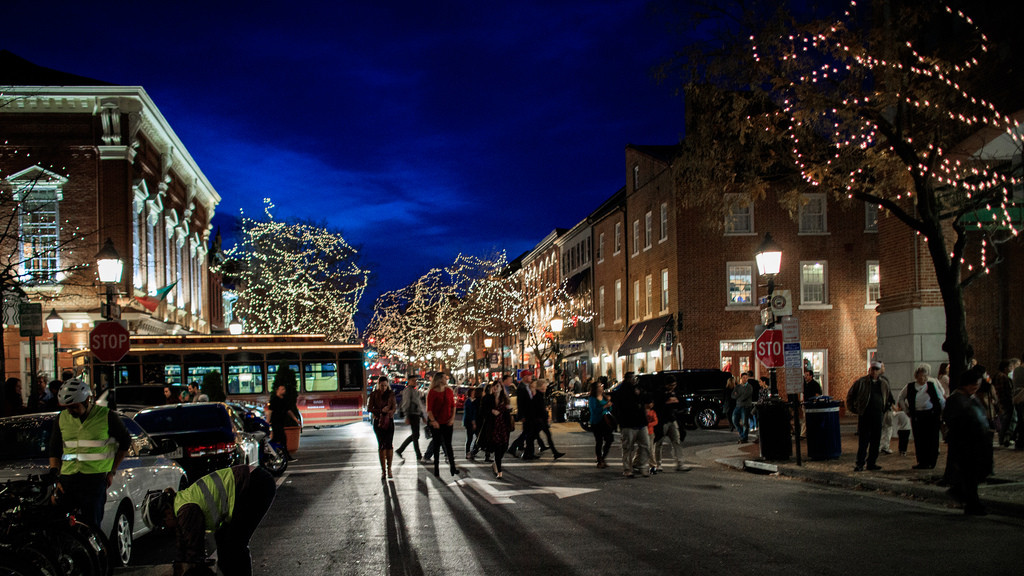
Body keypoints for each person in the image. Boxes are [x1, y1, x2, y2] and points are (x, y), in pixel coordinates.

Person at [143, 465, 277, 576]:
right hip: (252, 481)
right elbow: (182, 547)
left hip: (255, 484)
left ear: (167, 513)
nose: (165, 528)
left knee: (234, 545)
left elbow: (194, 551)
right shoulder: (180, 504)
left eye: (163, 524)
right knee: (223, 539)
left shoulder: (185, 511)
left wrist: (191, 567)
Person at [47, 379, 130, 529]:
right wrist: (55, 476)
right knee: (60, 524)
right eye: (67, 407)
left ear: (87, 400)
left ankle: (96, 551)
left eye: (74, 407)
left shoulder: (106, 416)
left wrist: (111, 471)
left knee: (91, 524)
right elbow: (55, 448)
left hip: (94, 478)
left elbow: (125, 443)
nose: (71, 411)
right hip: (68, 478)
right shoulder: (61, 418)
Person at [943, 366, 993, 515]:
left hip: (978, 442)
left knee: (976, 473)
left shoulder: (971, 398)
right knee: (970, 474)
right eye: (973, 384)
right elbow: (954, 420)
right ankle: (972, 503)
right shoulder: (956, 399)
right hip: (966, 443)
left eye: (977, 384)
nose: (975, 387)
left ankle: (961, 493)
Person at [897, 363, 945, 469]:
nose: (923, 378)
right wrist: (906, 410)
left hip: (931, 415)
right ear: (916, 376)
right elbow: (900, 397)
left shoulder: (932, 385)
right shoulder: (910, 386)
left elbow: (941, 399)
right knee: (920, 439)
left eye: (925, 376)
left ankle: (931, 461)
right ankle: (922, 461)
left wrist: (942, 412)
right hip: (917, 415)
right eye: (921, 376)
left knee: (932, 438)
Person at [846, 361, 892, 472]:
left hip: (878, 415)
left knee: (875, 441)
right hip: (865, 415)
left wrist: (884, 409)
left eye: (877, 369)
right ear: (869, 370)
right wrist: (855, 409)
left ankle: (871, 463)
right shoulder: (861, 382)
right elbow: (850, 396)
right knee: (864, 441)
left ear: (880, 371)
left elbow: (888, 398)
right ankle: (860, 463)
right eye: (873, 369)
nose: (874, 372)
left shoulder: (883, 383)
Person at [611, 372, 650, 478]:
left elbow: (645, 399)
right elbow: (617, 408)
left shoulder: (638, 389)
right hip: (628, 423)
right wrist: (621, 421)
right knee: (628, 447)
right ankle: (628, 469)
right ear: (628, 379)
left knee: (645, 445)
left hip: (641, 422)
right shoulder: (622, 392)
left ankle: (641, 465)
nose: (634, 380)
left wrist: (640, 394)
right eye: (633, 378)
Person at [425, 372, 458, 477]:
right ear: (439, 379)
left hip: (448, 422)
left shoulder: (449, 391)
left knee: (449, 445)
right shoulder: (432, 392)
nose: (446, 379)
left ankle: (453, 468)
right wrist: (433, 421)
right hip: (436, 423)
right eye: (444, 377)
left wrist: (452, 419)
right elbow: (429, 409)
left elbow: (453, 406)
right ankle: (436, 469)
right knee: (436, 445)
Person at [482, 380, 514, 479]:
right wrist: (491, 411)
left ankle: (496, 463)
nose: (495, 388)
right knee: (497, 448)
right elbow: (482, 411)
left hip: (504, 427)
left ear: (501, 388)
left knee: (504, 447)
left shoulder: (504, 399)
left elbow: (509, 413)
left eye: (497, 386)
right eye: (494, 386)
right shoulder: (488, 398)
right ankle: (499, 472)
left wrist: (509, 409)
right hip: (493, 427)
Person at [367, 375, 397, 479]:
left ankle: (389, 469)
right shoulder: (374, 395)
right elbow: (369, 408)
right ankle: (383, 470)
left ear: (387, 385)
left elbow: (394, 407)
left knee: (389, 445)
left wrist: (389, 412)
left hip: (389, 421)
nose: (384, 387)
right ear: (378, 385)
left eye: (385, 385)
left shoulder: (391, 394)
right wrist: (380, 411)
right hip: (378, 422)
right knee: (381, 445)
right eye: (382, 385)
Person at [654, 378, 687, 472]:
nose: (673, 387)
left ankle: (680, 463)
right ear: (667, 385)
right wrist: (669, 401)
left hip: (672, 419)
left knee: (676, 440)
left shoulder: (675, 393)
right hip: (662, 421)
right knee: (659, 443)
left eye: (674, 385)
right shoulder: (660, 393)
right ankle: (658, 464)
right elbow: (659, 404)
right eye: (671, 385)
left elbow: (679, 403)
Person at [533, 379, 565, 459]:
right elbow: (540, 409)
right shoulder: (538, 395)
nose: (546, 387)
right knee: (532, 436)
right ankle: (526, 451)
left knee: (543, 435)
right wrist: (546, 416)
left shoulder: (539, 395)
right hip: (540, 420)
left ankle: (554, 452)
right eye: (545, 385)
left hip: (539, 419)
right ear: (541, 386)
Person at [267, 384, 300, 462]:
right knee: (280, 439)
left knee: (279, 439)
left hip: (281, 423)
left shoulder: (283, 400)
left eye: (284, 389)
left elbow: (288, 411)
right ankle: (280, 455)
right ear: (277, 390)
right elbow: (270, 411)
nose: (283, 391)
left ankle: (277, 455)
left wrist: (295, 419)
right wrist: (268, 421)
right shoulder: (274, 400)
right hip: (276, 422)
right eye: (282, 389)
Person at [396, 380, 425, 460]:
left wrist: (422, 415)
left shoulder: (414, 390)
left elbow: (418, 403)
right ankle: (417, 455)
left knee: (415, 435)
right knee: (415, 435)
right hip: (412, 414)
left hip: (416, 414)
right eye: (413, 380)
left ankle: (400, 450)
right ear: (409, 381)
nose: (415, 382)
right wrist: (407, 416)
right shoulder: (408, 391)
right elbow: (406, 403)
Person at [588, 379, 614, 468]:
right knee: (599, 441)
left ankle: (603, 457)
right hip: (597, 421)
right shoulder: (592, 398)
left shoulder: (604, 396)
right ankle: (600, 460)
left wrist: (609, 405)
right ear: (595, 388)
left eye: (601, 386)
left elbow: (609, 409)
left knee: (609, 439)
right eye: (599, 386)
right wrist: (605, 406)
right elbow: (594, 410)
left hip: (605, 420)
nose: (601, 387)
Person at [991, 360, 1015, 447]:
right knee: (1005, 420)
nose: (1011, 369)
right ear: (1005, 368)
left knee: (1003, 420)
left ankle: (1002, 438)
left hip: (999, 401)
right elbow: (1005, 391)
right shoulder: (1003, 377)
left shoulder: (997, 375)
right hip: (1004, 401)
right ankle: (1003, 439)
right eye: (1010, 367)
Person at [731, 374, 753, 443]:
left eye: (746, 378)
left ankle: (744, 437)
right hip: (738, 406)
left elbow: (746, 395)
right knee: (734, 420)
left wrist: (738, 395)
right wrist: (739, 395)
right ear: (741, 378)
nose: (745, 379)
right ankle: (742, 434)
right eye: (744, 377)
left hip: (746, 406)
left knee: (745, 423)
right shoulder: (738, 386)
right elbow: (733, 395)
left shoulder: (749, 387)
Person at [462, 386, 480, 460]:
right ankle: (468, 452)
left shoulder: (474, 401)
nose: (474, 394)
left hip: (473, 421)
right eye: (472, 393)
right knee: (470, 438)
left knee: (478, 437)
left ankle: (473, 451)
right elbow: (469, 413)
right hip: (469, 422)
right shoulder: (468, 401)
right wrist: (473, 422)